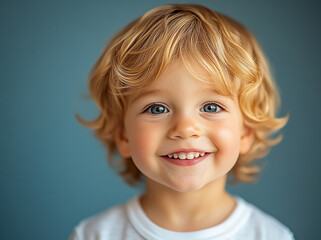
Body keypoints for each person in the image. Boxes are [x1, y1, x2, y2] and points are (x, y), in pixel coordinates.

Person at [70, 4, 294, 240]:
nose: (185, 128)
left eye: (211, 107)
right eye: (157, 109)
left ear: (245, 131)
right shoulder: (94, 235)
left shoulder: (270, 236)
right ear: (123, 134)